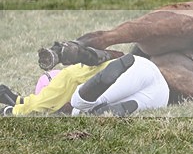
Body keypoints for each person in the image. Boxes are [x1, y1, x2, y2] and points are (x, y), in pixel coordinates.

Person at [0, 54, 169, 117]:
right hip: (160, 96)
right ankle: (104, 111)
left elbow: (46, 100)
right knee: (86, 108)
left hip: (135, 70)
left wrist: (13, 110)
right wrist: (17, 100)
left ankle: (97, 105)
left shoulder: (69, 76)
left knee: (79, 105)